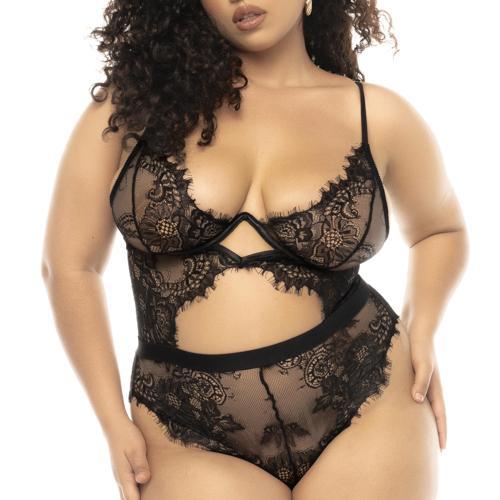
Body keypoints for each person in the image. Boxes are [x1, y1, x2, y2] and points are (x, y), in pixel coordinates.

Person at [41, 1, 469, 499]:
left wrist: (422, 325)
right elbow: (68, 265)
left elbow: (440, 229)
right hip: (184, 424)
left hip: (366, 394)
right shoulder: (133, 106)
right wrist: (112, 420)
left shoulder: (377, 115)